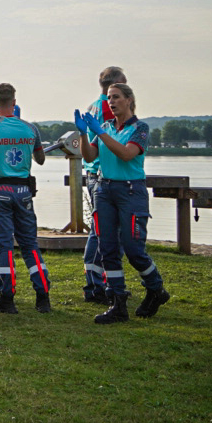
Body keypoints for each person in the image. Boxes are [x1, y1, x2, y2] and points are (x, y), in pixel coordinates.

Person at [75, 83, 170, 323]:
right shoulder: (105, 127)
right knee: (107, 248)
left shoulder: (141, 128)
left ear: (129, 100)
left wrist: (101, 133)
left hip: (130, 191)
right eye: (108, 98)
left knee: (133, 248)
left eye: (116, 97)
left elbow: (127, 154)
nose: (111, 102)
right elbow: (89, 156)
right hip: (104, 189)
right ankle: (117, 303)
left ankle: (156, 289)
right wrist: (85, 134)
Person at [0, 83, 50, 313]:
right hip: (24, 194)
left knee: (4, 246)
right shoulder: (30, 129)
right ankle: (43, 296)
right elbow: (41, 159)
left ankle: (7, 298)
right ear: (15, 102)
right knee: (30, 245)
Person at [79, 66, 126, 303]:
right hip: (102, 173)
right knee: (103, 232)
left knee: (100, 230)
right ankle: (97, 285)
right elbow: (113, 140)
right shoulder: (109, 107)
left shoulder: (92, 106)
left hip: (91, 171)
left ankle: (101, 282)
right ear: (115, 84)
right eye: (124, 84)